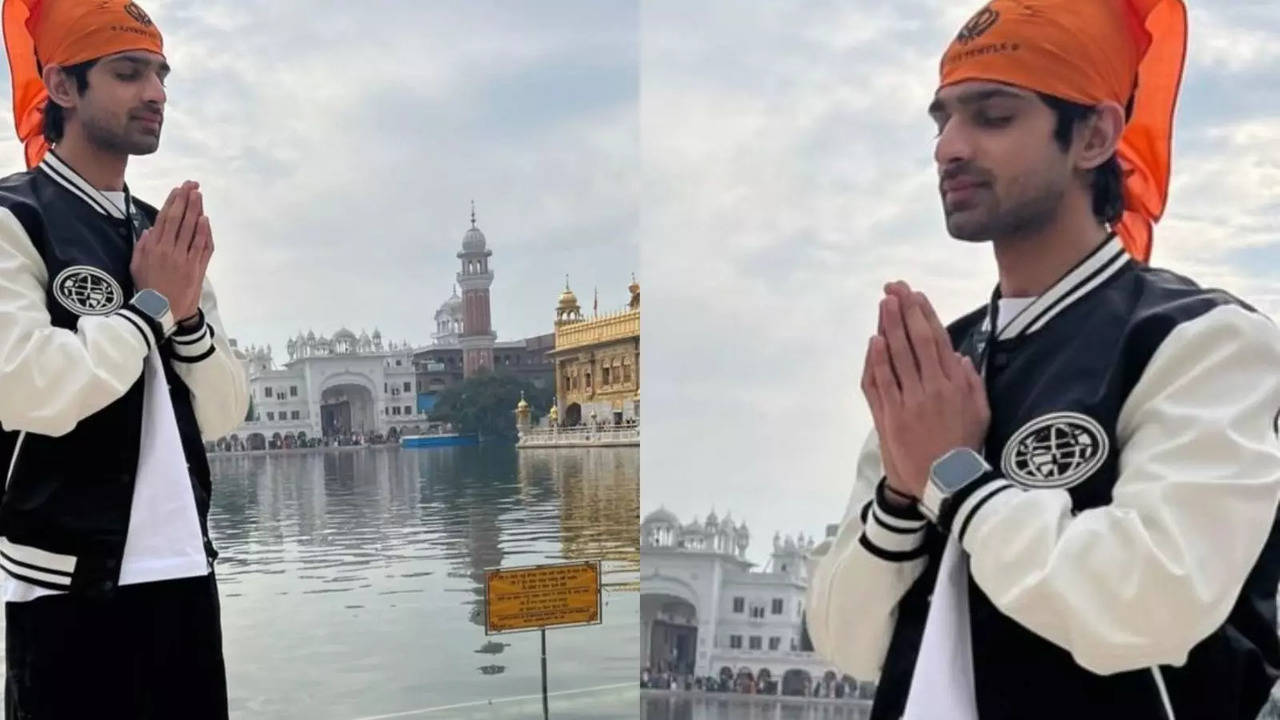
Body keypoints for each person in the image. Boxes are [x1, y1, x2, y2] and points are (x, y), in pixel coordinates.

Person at [807, 1, 1280, 719]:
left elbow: (1146, 601)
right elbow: (848, 641)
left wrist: (955, 479)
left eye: (992, 117)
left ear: (1093, 135)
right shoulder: (940, 367)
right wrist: (903, 500)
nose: (949, 148)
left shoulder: (1201, 342)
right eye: (943, 120)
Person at [0, 0, 248, 717]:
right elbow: (28, 388)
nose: (156, 93)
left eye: (162, 74)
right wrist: (150, 309)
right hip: (66, 584)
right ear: (64, 87)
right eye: (129, 72)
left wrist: (188, 312)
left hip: (185, 572)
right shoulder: (19, 219)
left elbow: (226, 413)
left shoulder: (160, 236)